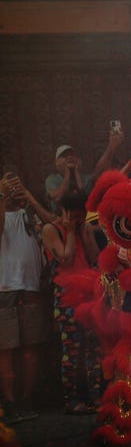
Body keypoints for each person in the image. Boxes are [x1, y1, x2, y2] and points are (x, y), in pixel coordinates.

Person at [0, 173, 56, 425]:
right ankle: (10, 401)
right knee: (7, 350)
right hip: (5, 289)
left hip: (32, 288)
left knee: (31, 350)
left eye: (15, 186)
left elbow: (53, 223)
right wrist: (2, 198)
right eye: (8, 187)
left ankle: (27, 398)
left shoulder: (28, 215)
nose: (13, 191)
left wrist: (29, 198)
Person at [41, 192, 103, 415]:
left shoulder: (82, 227)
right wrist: (68, 230)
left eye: (81, 216)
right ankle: (72, 399)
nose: (78, 220)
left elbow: (94, 257)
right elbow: (65, 257)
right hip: (66, 295)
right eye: (74, 216)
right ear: (64, 212)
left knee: (93, 348)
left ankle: (96, 397)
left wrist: (83, 231)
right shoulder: (51, 230)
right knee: (72, 348)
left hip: (89, 293)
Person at [45, 125, 124, 209]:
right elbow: (58, 197)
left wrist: (111, 146)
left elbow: (99, 174)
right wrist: (67, 173)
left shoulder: (85, 178)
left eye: (72, 155)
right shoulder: (52, 179)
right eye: (64, 156)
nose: (69, 157)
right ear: (56, 163)